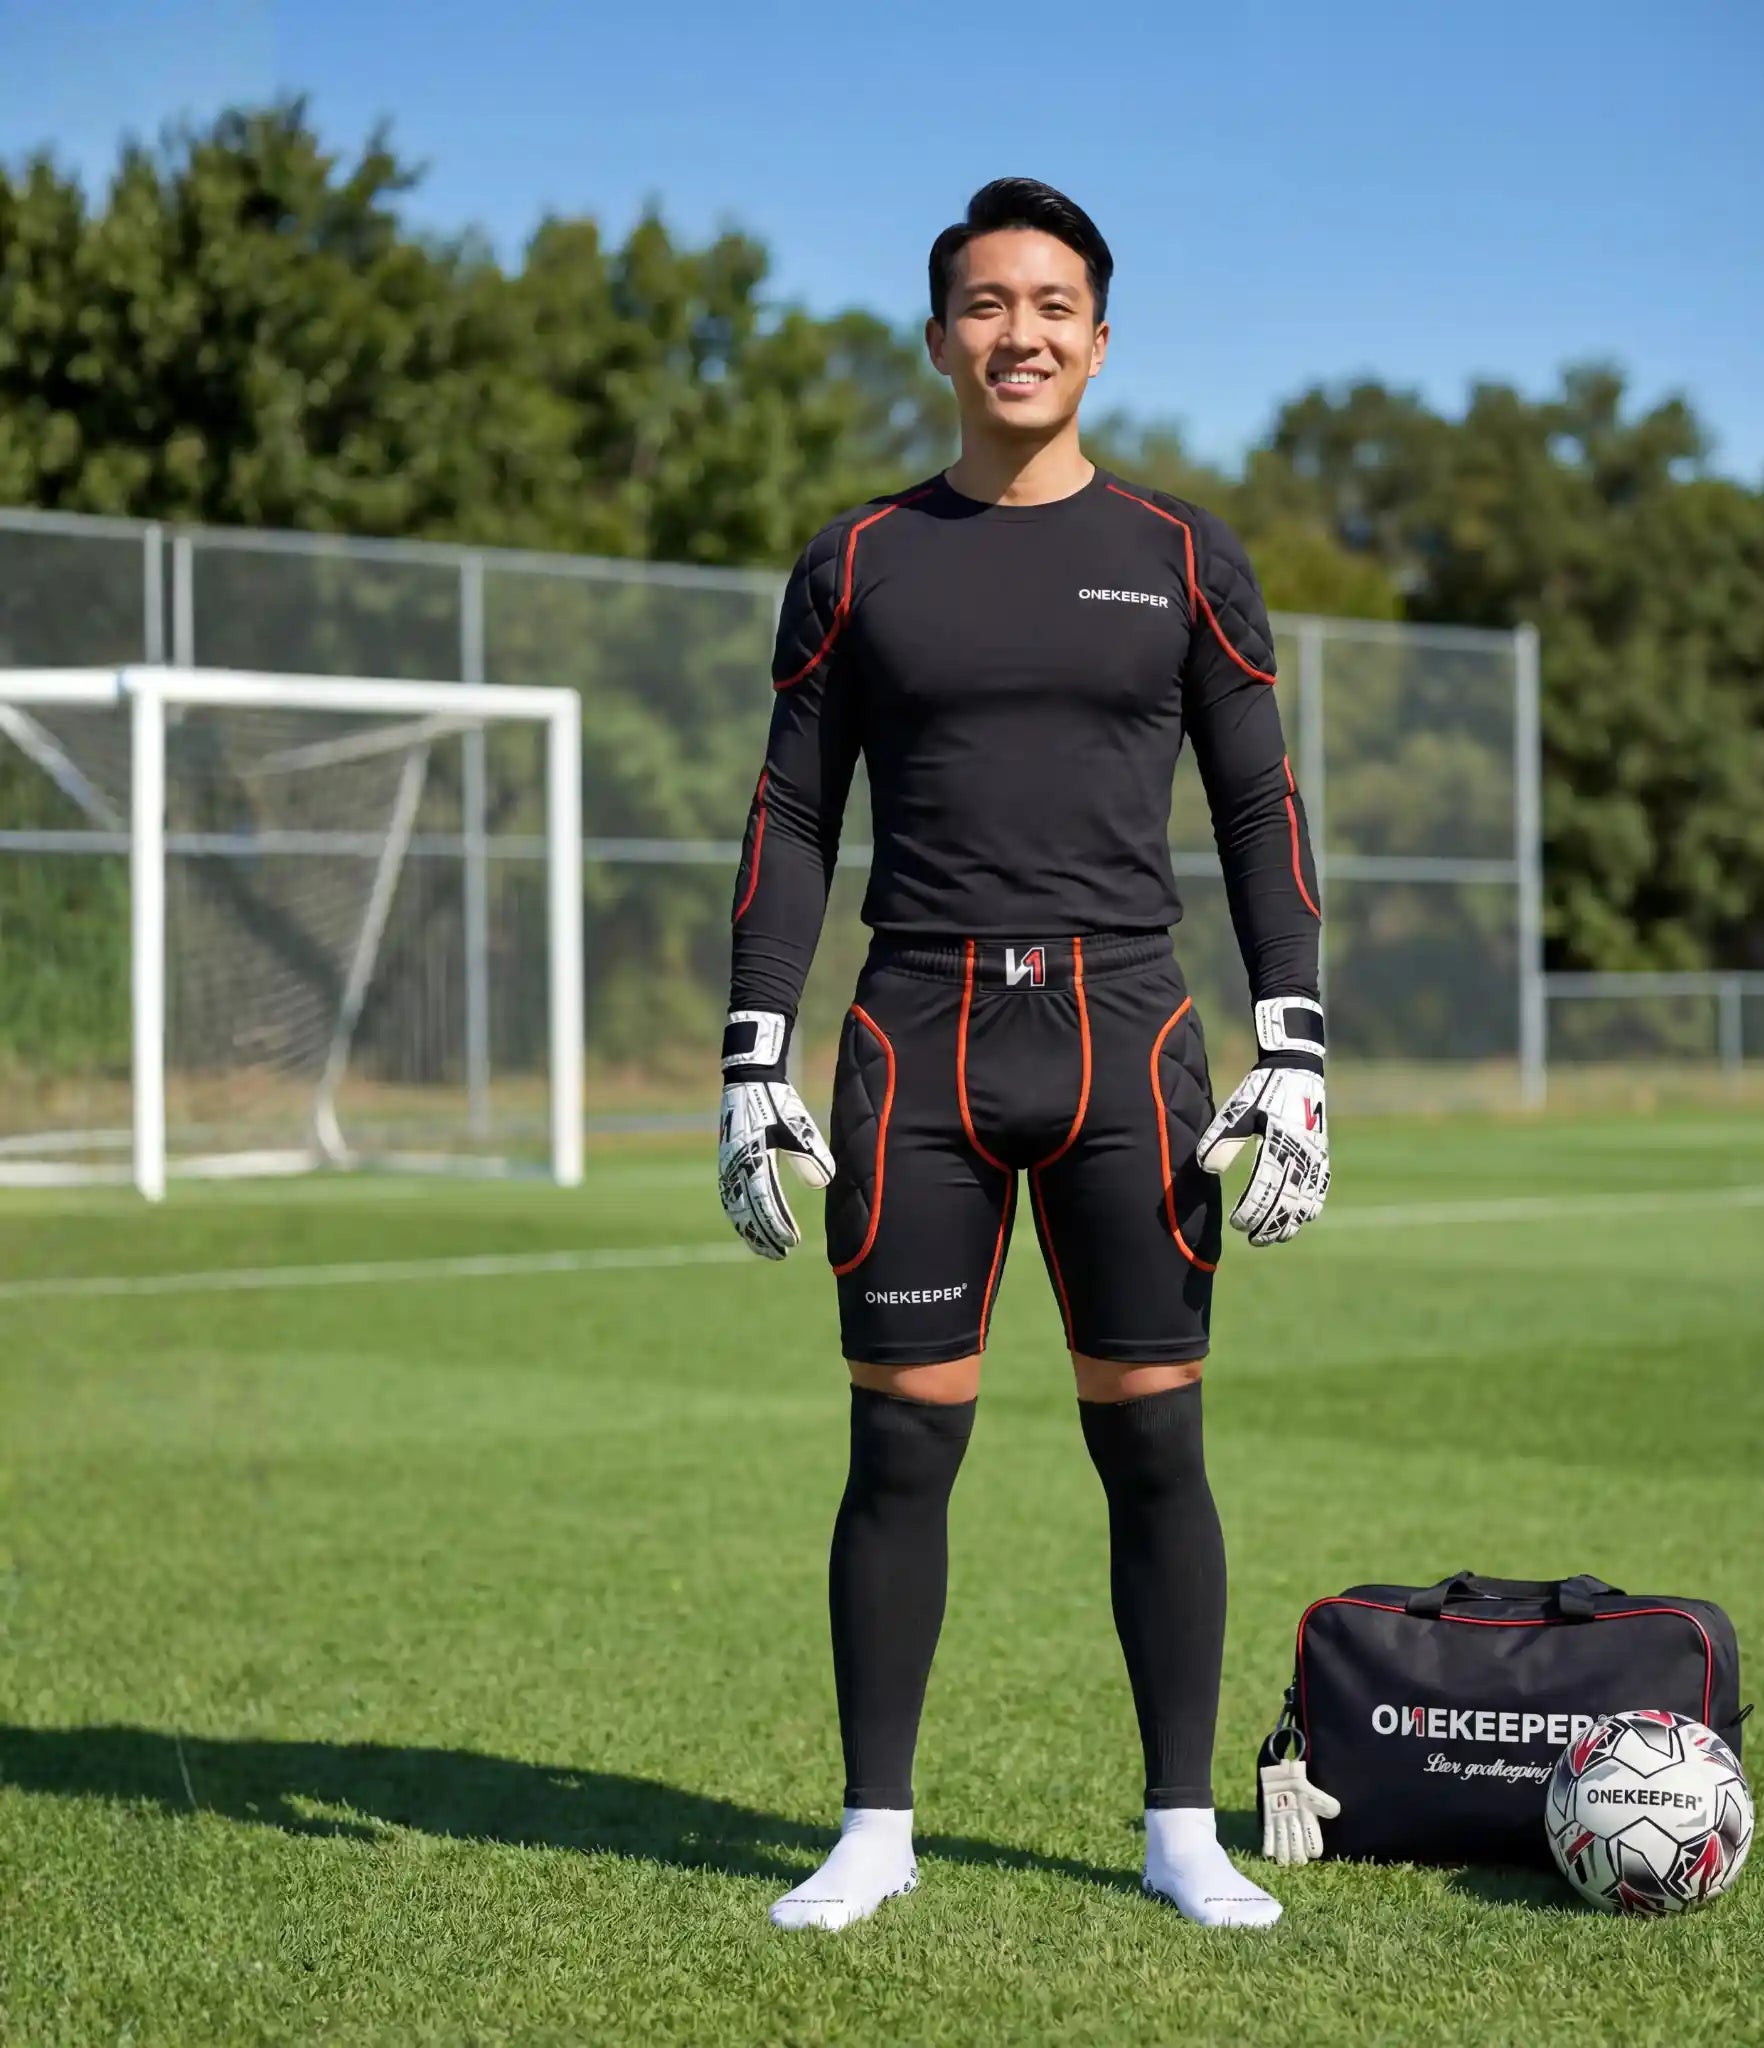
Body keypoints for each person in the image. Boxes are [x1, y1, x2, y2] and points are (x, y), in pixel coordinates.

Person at [717, 178, 1330, 1932]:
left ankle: (1180, 1832)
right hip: (913, 1041)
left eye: (1053, 305)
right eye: (987, 305)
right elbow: (789, 811)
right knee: (900, 1449)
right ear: (938, 339)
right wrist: (756, 1052)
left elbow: (1258, 805)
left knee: (1155, 1445)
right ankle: (874, 1831)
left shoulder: (1182, 554)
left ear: (1101, 339)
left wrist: (1295, 1039)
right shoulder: (857, 560)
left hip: (1130, 1038)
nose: (1021, 333)